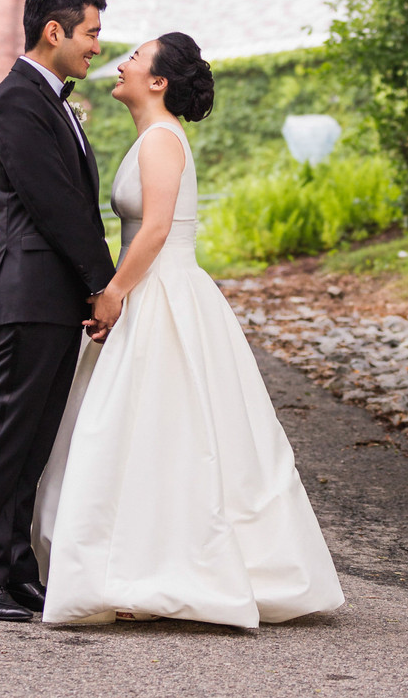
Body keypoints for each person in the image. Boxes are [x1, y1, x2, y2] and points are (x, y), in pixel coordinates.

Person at [33, 32, 345, 626]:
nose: (119, 63)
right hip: (155, 288)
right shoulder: (154, 137)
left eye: (134, 58)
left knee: (160, 430)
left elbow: (154, 230)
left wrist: (113, 293)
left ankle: (158, 566)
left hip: (160, 292)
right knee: (142, 429)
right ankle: (132, 558)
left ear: (158, 81)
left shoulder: (160, 141)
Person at [0, 0, 116, 621]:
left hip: (54, 299)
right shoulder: (19, 99)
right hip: (28, 294)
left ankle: (16, 569)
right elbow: (56, 206)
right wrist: (105, 285)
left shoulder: (51, 99)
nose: (97, 48)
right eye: (92, 33)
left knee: (34, 441)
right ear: (56, 30)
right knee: (5, 436)